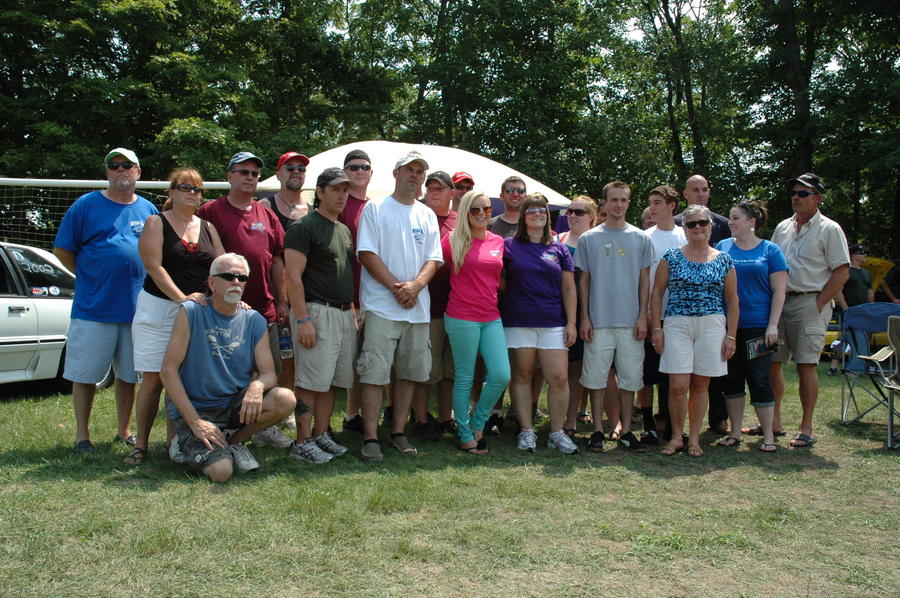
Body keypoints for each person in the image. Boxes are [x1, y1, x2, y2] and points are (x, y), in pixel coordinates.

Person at [53, 147, 158, 453]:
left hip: (137, 309)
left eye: (127, 165)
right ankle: (82, 436)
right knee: (85, 375)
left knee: (129, 376)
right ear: (107, 172)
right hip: (94, 308)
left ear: (138, 172)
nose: (120, 170)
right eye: (114, 165)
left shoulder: (149, 209)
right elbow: (63, 250)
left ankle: (124, 431)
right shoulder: (85, 205)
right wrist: (91, 276)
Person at [160, 253, 296, 483]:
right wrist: (195, 422)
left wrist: (256, 386)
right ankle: (184, 442)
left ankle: (232, 442)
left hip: (233, 405)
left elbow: (269, 374)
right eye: (229, 276)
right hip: (198, 409)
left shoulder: (254, 320)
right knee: (222, 472)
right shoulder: (191, 311)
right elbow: (168, 371)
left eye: (242, 278)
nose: (236, 282)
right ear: (212, 283)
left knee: (285, 399)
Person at [125, 168, 225, 466]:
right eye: (185, 187)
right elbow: (154, 266)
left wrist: (226, 299)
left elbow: (220, 266)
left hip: (196, 311)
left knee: (183, 377)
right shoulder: (156, 222)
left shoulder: (208, 227)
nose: (192, 193)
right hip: (159, 309)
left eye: (197, 189)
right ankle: (141, 444)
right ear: (171, 192)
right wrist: (182, 300)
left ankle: (175, 441)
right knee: (155, 378)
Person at [197, 151, 293, 449]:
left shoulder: (266, 214)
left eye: (254, 173)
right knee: (228, 372)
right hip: (224, 312)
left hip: (263, 309)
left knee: (267, 373)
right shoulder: (211, 211)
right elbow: (199, 255)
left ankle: (262, 429)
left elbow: (277, 260)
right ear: (229, 176)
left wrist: (282, 300)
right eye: (243, 172)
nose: (250, 177)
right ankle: (221, 425)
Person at [355, 151, 443, 461]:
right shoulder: (375, 208)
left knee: (409, 374)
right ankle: (370, 437)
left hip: (416, 310)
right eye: (409, 170)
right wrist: (397, 288)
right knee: (374, 374)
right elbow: (367, 253)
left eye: (419, 171)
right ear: (396, 173)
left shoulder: (427, 214)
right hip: (381, 306)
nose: (414, 175)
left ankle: (398, 432)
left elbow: (434, 258)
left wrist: (416, 286)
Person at [649, 204, 739, 457]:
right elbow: (656, 293)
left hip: (712, 324)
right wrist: (656, 328)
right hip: (677, 323)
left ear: (711, 226)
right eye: (692, 224)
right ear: (685, 229)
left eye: (702, 223)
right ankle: (677, 436)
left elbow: (732, 300)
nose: (698, 227)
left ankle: (695, 438)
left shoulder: (724, 259)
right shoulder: (671, 256)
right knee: (678, 385)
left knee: (701, 384)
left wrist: (731, 336)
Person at [769, 173, 849, 447]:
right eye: (794, 192)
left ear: (818, 198)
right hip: (779, 301)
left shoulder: (830, 229)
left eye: (803, 193)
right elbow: (772, 264)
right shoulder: (783, 227)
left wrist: (819, 303)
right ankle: (773, 422)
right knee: (772, 362)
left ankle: (806, 427)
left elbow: (842, 271)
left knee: (806, 364)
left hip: (809, 301)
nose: (796, 197)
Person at [284, 168, 356, 463]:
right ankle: (302, 441)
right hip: (315, 312)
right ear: (320, 191)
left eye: (345, 190)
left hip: (343, 313)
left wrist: (351, 313)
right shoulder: (303, 227)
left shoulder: (343, 230)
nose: (342, 195)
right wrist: (303, 320)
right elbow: (292, 277)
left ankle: (321, 433)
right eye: (336, 189)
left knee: (332, 382)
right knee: (310, 382)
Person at [576, 182, 653, 453]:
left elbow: (645, 280)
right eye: (614, 200)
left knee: (630, 379)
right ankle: (597, 430)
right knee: (596, 379)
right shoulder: (589, 239)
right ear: (605, 203)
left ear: (629, 203)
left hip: (631, 322)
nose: (619, 205)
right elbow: (583, 281)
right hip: (598, 321)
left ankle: (627, 431)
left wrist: (643, 316)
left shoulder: (641, 238)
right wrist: (584, 317)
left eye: (623, 200)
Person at [500, 193, 579, 454]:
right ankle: (526, 431)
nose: (537, 214)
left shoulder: (559, 249)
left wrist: (571, 323)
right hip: (518, 320)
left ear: (548, 216)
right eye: (531, 210)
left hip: (553, 321)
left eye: (542, 210)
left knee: (558, 377)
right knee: (522, 375)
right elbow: (499, 280)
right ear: (523, 216)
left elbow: (569, 288)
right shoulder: (509, 245)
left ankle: (557, 433)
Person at [715, 202, 787, 451]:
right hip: (729, 328)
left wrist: (772, 326)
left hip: (759, 328)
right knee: (732, 380)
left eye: (735, 218)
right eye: (730, 218)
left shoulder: (771, 250)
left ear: (751, 221)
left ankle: (768, 435)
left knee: (759, 379)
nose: (730, 222)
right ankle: (735, 432)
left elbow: (779, 291)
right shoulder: (722, 247)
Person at [442, 191, 510, 453]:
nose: (482, 214)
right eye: (475, 209)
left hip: (491, 316)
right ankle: (464, 433)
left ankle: (478, 423)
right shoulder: (453, 240)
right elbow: (431, 265)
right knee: (465, 377)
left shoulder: (497, 241)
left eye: (487, 209)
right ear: (466, 212)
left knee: (501, 374)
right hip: (461, 316)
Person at [674, 174, 732, 435]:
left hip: (713, 314)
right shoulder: (675, 224)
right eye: (695, 189)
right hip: (678, 315)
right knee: (677, 380)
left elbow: (731, 291)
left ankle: (717, 418)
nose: (700, 193)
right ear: (685, 194)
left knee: (709, 375)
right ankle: (673, 428)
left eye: (704, 189)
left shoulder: (723, 225)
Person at [637, 185, 686, 445]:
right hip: (648, 314)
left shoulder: (684, 236)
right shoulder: (644, 237)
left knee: (672, 373)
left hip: (678, 315)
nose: (652, 208)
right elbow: (640, 278)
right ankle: (647, 424)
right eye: (650, 202)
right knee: (647, 373)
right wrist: (643, 313)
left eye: (657, 202)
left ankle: (668, 422)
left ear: (672, 206)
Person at [412, 170, 458, 438]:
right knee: (425, 369)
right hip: (425, 307)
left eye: (440, 188)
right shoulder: (417, 216)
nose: (434, 192)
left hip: (456, 307)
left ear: (452, 192)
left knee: (450, 370)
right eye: (430, 188)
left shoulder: (460, 220)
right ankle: (420, 419)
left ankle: (444, 418)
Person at [338, 148, 374, 434]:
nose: (359, 171)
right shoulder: (339, 204)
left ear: (371, 173)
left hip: (374, 295)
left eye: (364, 167)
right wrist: (349, 302)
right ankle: (351, 415)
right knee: (348, 361)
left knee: (371, 359)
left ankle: (369, 414)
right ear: (345, 172)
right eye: (353, 167)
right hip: (345, 298)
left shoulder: (376, 207)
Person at [558, 195, 597, 437]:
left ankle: (571, 420)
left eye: (579, 212)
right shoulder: (557, 239)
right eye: (570, 211)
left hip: (587, 312)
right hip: (556, 311)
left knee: (576, 368)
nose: (572, 215)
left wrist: (585, 317)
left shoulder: (595, 242)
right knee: (555, 369)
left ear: (591, 217)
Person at [828, 244, 873, 375]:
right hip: (850, 310)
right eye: (862, 253)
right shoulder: (846, 271)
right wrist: (846, 308)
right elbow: (838, 291)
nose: (865, 255)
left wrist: (871, 308)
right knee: (843, 338)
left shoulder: (866, 273)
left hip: (864, 311)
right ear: (853, 255)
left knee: (864, 338)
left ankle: (859, 366)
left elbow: (870, 292)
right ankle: (833, 366)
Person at [258, 151, 310, 231]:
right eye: (290, 168)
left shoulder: (313, 212)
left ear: (304, 175)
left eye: (301, 168)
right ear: (278, 175)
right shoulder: (264, 207)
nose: (296, 171)